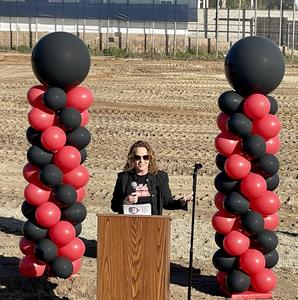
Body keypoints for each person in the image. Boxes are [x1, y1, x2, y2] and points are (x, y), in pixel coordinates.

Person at [111, 140, 193, 215]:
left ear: (150, 158)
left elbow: (167, 203)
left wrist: (181, 202)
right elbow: (114, 206)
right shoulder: (123, 178)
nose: (141, 161)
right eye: (137, 157)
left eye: (145, 157)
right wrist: (126, 201)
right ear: (132, 158)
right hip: (129, 224)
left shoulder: (160, 177)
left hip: (153, 225)